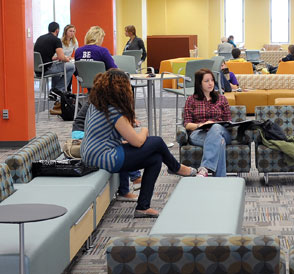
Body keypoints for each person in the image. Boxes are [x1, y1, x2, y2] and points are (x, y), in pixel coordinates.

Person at [81, 69, 195, 218]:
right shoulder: (114, 111)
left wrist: (128, 124)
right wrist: (144, 130)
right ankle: (176, 167)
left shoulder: (97, 105)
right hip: (103, 157)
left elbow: (114, 133)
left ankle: (143, 207)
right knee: (157, 142)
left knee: (156, 159)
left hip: (91, 153)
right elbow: (137, 142)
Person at [72, 102, 143, 201]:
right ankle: (134, 178)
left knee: (120, 144)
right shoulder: (102, 103)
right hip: (82, 135)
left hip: (85, 134)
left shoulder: (100, 100)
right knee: (120, 145)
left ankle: (128, 186)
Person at [183, 69, 233, 177]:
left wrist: (215, 125)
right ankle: (220, 180)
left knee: (215, 127)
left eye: (212, 80)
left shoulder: (222, 99)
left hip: (222, 131)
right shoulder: (191, 100)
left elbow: (228, 121)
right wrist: (201, 125)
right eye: (206, 81)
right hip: (199, 133)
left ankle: (204, 168)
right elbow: (187, 124)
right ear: (199, 83)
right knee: (220, 142)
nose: (210, 83)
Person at [34, 22, 75, 95]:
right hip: (47, 69)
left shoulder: (40, 38)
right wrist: (68, 59)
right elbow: (62, 58)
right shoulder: (56, 40)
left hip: (37, 69)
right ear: (57, 30)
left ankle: (54, 90)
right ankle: (57, 90)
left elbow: (43, 55)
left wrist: (55, 58)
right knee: (71, 67)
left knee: (57, 68)